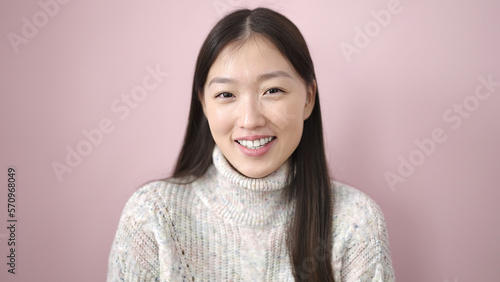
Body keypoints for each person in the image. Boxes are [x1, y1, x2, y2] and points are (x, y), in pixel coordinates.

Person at [107, 7, 395, 282]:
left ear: (308, 98)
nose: (250, 120)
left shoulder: (356, 221)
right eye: (226, 94)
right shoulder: (153, 216)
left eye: (273, 90)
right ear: (203, 104)